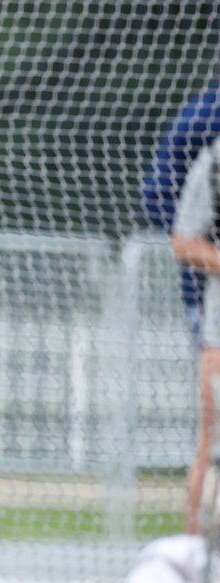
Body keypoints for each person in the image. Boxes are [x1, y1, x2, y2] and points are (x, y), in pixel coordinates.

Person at [142, 81, 220, 534]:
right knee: (212, 445)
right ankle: (197, 557)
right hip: (212, 312)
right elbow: (172, 222)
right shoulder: (204, 123)